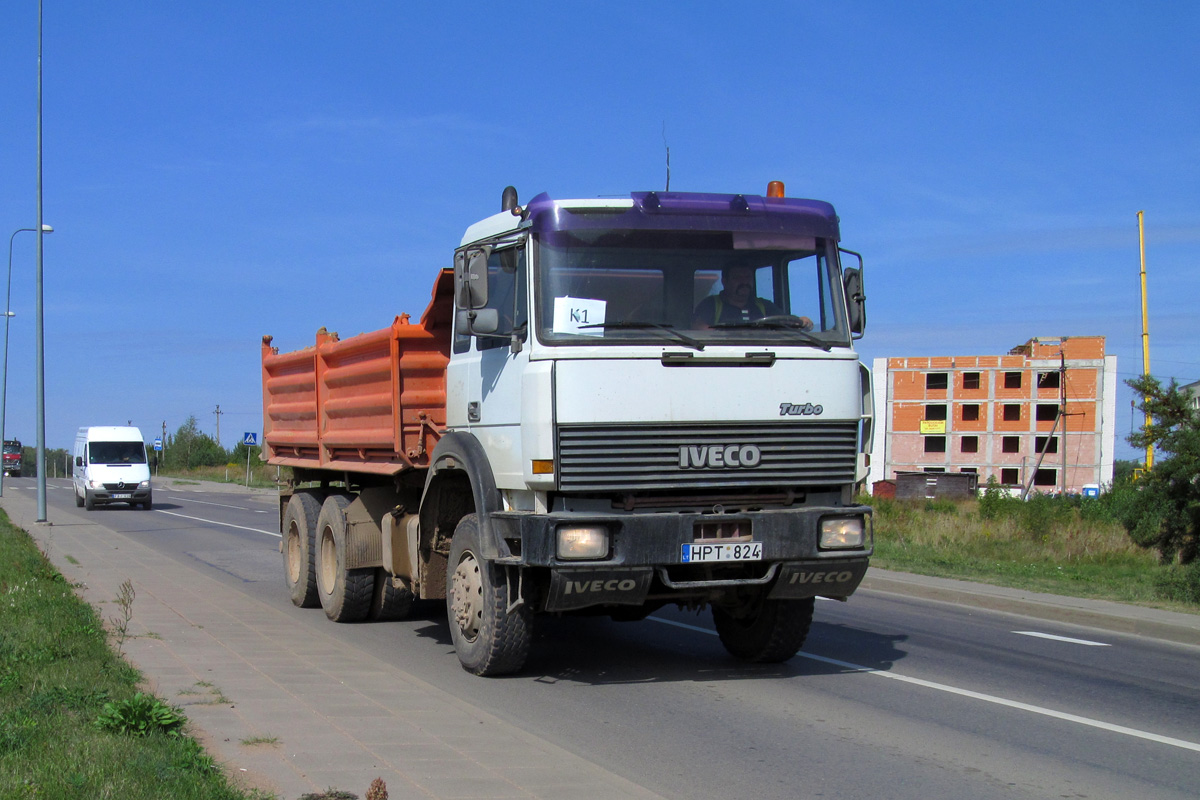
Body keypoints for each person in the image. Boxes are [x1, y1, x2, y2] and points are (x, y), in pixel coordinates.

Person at [691, 265, 812, 330]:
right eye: (737, 278)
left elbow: (785, 321)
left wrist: (801, 321)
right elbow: (699, 329)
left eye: (747, 277)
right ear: (725, 281)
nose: (744, 282)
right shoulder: (711, 304)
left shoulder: (764, 306)